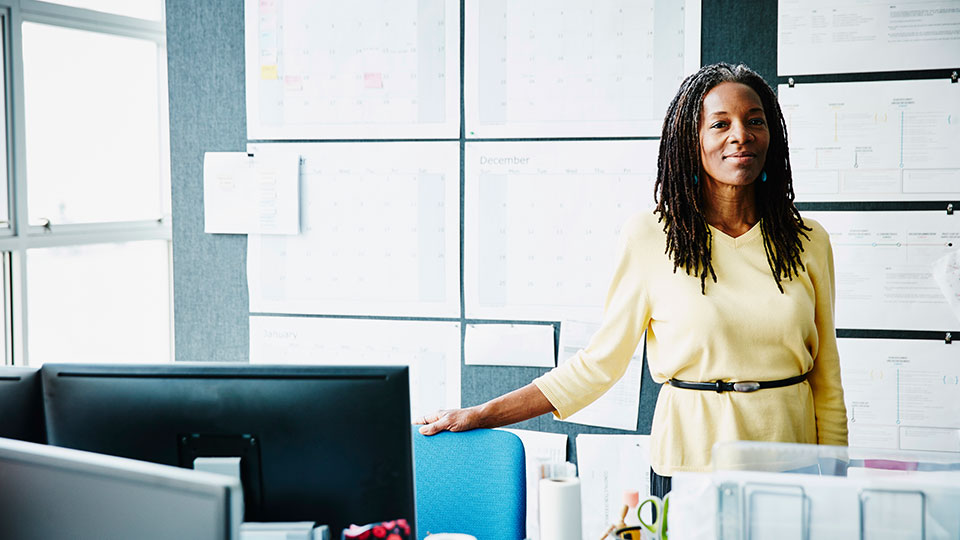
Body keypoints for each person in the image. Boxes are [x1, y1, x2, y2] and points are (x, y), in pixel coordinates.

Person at [416, 63, 848, 498]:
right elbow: (599, 365)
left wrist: (837, 483)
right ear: (690, 140)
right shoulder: (651, 238)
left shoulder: (808, 241)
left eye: (755, 121)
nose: (741, 134)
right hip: (691, 465)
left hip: (794, 466)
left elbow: (826, 378)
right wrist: (482, 414)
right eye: (720, 123)